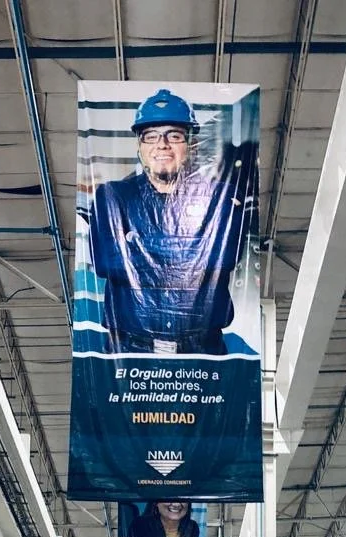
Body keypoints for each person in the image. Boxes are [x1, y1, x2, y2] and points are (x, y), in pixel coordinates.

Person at [88, 88, 256, 355]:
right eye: (151, 136)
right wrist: (191, 248)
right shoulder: (112, 197)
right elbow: (108, 263)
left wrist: (138, 245)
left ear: (189, 143)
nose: (162, 144)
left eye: (174, 136)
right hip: (128, 351)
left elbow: (222, 259)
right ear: (140, 146)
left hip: (204, 351)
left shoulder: (220, 196)